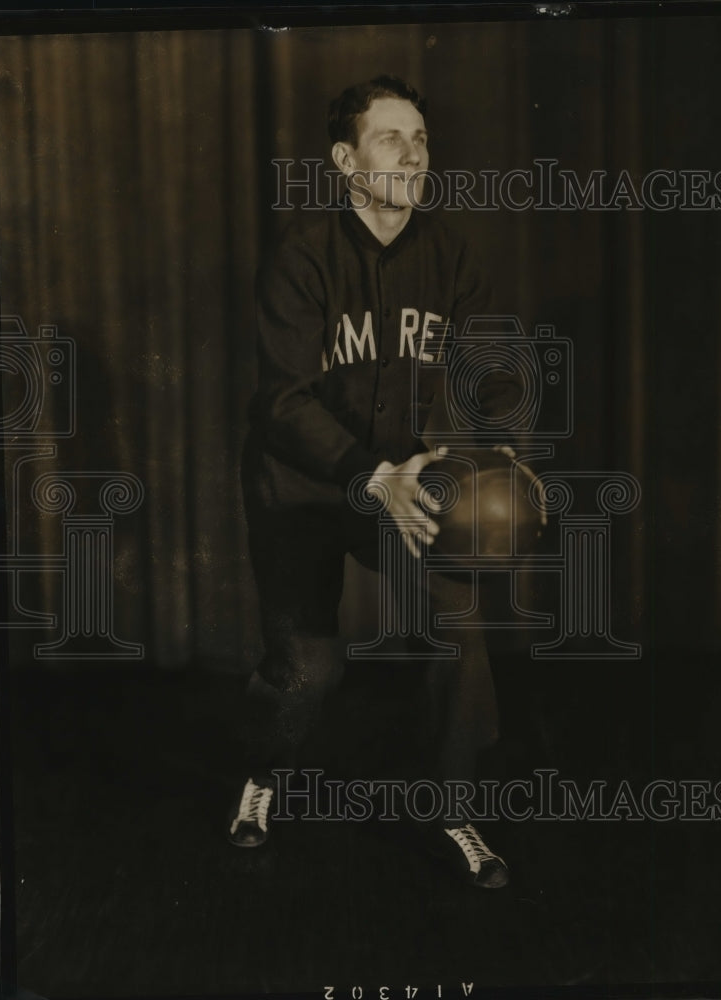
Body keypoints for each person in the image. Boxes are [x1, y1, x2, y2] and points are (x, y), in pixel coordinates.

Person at [230, 75, 525, 889]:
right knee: (309, 669)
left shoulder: (450, 253)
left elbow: (489, 370)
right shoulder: (301, 256)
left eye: (421, 138)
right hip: (305, 489)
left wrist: (506, 448)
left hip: (407, 485)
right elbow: (282, 401)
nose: (413, 152)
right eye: (391, 137)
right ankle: (264, 774)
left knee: (459, 633)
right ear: (346, 160)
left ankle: (455, 805)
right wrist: (372, 475)